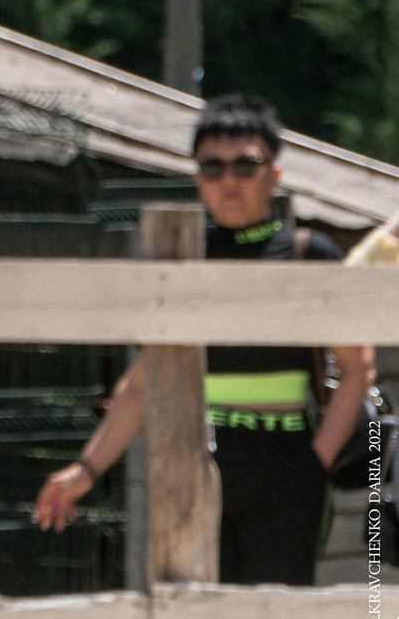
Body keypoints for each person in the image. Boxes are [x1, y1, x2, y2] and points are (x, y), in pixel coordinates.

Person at [31, 93, 375, 584]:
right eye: (213, 168)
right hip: (194, 461)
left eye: (245, 165)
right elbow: (144, 383)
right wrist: (84, 471)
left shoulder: (307, 253)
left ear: (275, 173)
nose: (229, 181)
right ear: (197, 178)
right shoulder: (185, 258)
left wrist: (313, 463)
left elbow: (358, 366)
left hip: (289, 466)